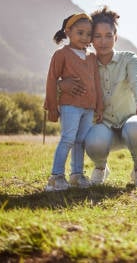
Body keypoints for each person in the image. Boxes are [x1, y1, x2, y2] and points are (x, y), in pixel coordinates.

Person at [59, 7, 137, 188]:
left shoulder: (129, 59)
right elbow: (63, 80)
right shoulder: (85, 62)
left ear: (115, 37)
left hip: (130, 121)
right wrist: (60, 85)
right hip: (103, 125)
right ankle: (101, 168)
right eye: (97, 36)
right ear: (90, 39)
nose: (103, 42)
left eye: (108, 36)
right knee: (93, 141)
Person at [44, 13, 103, 191]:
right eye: (80, 33)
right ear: (68, 32)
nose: (85, 38)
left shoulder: (92, 57)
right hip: (70, 106)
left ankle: (77, 175)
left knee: (81, 141)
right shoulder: (61, 54)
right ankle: (56, 176)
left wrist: (99, 106)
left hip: (88, 108)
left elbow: (96, 83)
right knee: (68, 139)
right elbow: (52, 80)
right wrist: (52, 106)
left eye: (88, 34)